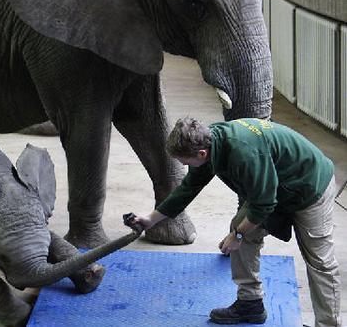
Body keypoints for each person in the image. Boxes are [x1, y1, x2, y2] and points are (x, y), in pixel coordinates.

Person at [130, 117, 342, 327]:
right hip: (274, 185)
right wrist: (151, 219)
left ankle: (329, 324)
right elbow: (188, 188)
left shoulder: (243, 153)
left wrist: (238, 235)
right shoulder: (207, 143)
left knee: (320, 261)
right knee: (240, 228)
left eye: (185, 162)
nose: (184, 165)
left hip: (311, 187)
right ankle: (250, 303)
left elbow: (264, 204)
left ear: (201, 154)